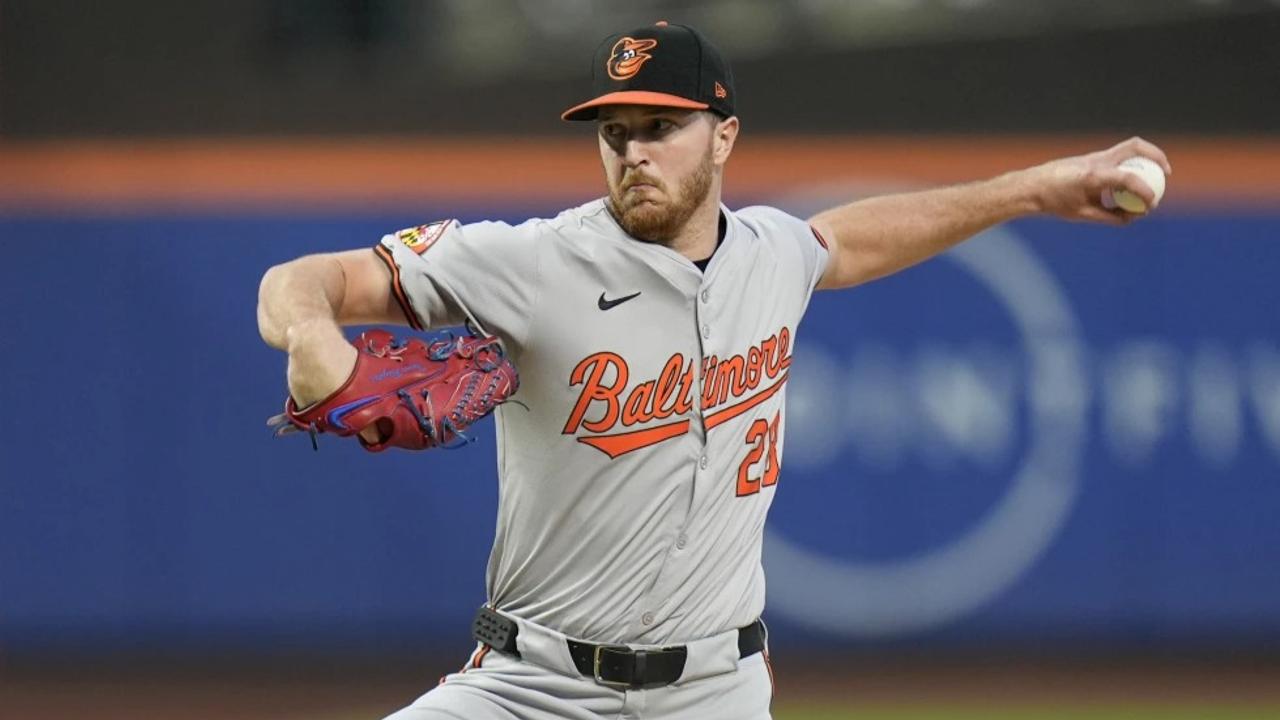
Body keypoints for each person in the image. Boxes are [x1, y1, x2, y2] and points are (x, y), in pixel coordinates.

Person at [257, 20, 1170, 720]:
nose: (634, 152)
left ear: (723, 136)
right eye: (615, 132)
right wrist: (313, 339)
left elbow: (849, 238)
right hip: (533, 687)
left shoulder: (772, 254)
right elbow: (298, 281)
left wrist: (1040, 186)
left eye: (661, 126)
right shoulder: (528, 263)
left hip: (713, 689)